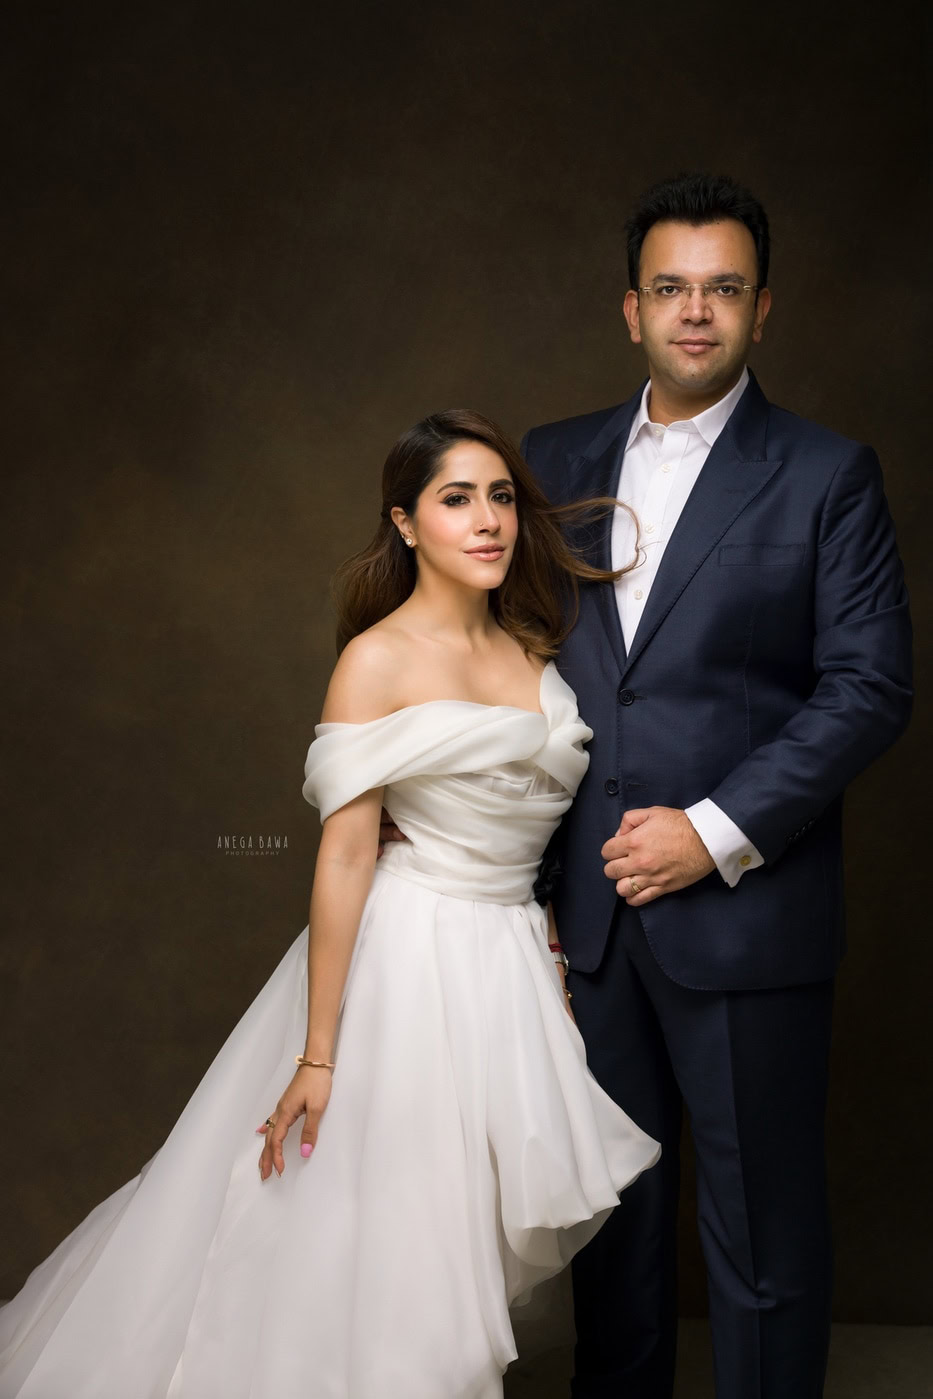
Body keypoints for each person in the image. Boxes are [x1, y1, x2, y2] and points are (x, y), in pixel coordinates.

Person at [0, 409, 660, 1399]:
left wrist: (559, 953)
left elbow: (545, 830)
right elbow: (347, 855)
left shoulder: (537, 642)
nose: (486, 521)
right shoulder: (376, 660)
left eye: (500, 497)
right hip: (409, 961)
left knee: (454, 1238)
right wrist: (319, 1052)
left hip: (513, 963)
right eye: (454, 499)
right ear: (404, 523)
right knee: (393, 1244)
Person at [520, 173, 913, 1399]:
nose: (698, 312)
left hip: (745, 913)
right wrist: (525, 893)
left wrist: (712, 830)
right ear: (629, 309)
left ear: (763, 309)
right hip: (583, 923)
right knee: (612, 1238)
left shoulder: (827, 473)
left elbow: (868, 687)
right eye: (673, 288)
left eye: (724, 289)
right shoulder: (549, 459)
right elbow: (515, 676)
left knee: (761, 1242)